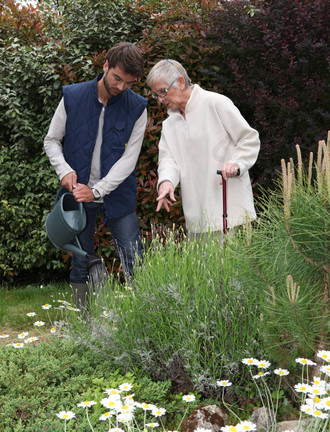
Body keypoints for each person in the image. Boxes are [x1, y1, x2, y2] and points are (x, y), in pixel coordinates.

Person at [44, 42, 147, 307]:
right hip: (77, 197)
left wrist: (98, 190)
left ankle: (144, 322)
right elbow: (52, 140)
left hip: (118, 196)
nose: (121, 87)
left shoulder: (138, 107)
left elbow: (129, 160)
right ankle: (84, 325)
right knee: (80, 263)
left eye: (128, 83)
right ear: (105, 66)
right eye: (117, 78)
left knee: (134, 261)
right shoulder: (73, 96)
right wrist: (64, 170)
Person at [146, 59, 260, 237]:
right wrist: (166, 181)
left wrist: (236, 163)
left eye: (163, 92)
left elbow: (248, 138)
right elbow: (169, 160)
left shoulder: (216, 103)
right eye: (156, 95)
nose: (160, 100)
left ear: (181, 82)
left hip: (231, 213)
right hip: (196, 219)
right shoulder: (169, 125)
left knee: (233, 265)